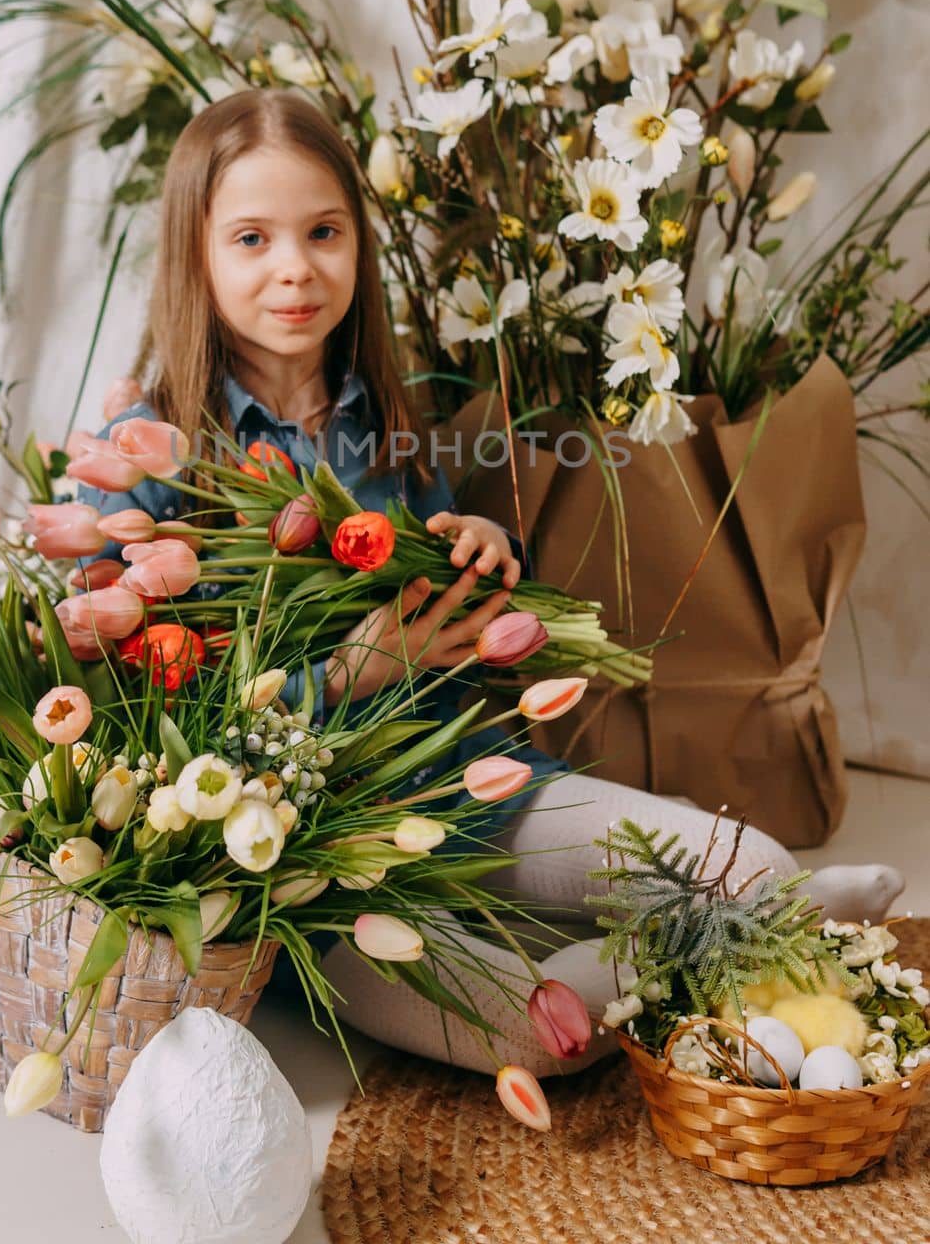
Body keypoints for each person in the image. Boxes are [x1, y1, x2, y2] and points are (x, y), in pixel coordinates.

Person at [78, 87, 905, 1079]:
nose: (294, 267)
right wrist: (346, 673)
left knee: (756, 862)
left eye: (323, 231)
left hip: (474, 789)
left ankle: (744, 906)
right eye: (251, 238)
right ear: (196, 254)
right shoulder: (152, 461)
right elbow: (137, 723)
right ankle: (713, 942)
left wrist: (474, 545)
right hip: (313, 868)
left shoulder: (386, 414)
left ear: (358, 244)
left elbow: (456, 606)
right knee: (537, 1034)